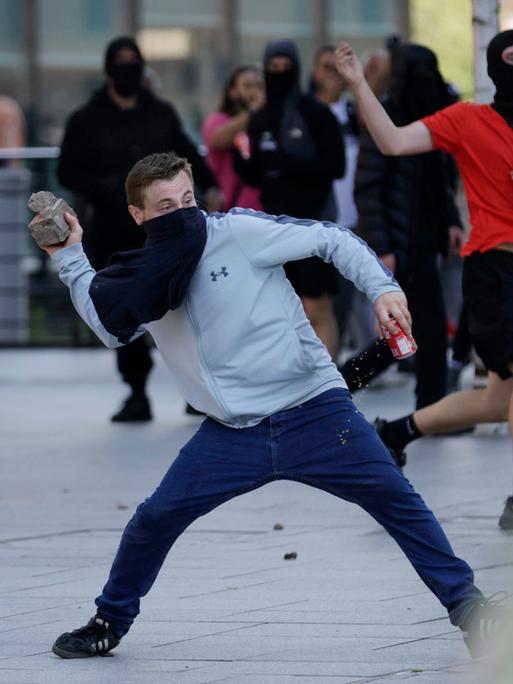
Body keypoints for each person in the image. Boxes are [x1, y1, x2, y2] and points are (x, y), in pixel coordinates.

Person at [38, 151, 503, 660]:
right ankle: (109, 620)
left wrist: (382, 290)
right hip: (230, 432)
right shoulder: (144, 278)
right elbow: (109, 325)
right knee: (155, 518)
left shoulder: (237, 232)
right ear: (138, 215)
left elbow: (331, 237)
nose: (183, 212)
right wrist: (69, 255)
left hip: (315, 411)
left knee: (399, 503)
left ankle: (472, 612)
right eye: (166, 205)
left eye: (188, 199)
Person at [335, 32, 513, 529]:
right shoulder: (467, 119)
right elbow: (392, 141)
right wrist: (357, 85)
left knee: (499, 403)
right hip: (497, 274)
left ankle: (397, 431)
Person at [57, 36, 221, 423]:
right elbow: (67, 169)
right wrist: (108, 188)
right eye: (121, 60)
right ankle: (136, 392)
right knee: (121, 307)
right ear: (109, 67)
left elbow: (187, 152)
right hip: (113, 228)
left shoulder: (160, 112)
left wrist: (210, 184)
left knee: (184, 308)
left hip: (164, 232)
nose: (128, 66)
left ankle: (196, 391)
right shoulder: (86, 119)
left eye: (135, 60)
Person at [343, 43, 464, 409]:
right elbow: (368, 185)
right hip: (399, 240)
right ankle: (427, 405)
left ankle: (343, 388)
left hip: (427, 236)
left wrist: (453, 221)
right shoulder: (386, 114)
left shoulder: (439, 114)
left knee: (413, 327)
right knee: (416, 327)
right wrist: (381, 246)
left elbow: (443, 179)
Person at [235, 40, 344, 360]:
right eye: (272, 67)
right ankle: (298, 391)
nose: (278, 73)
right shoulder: (259, 119)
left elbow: (334, 167)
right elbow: (257, 173)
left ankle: (330, 389)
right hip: (273, 229)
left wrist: (285, 162)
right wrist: (247, 165)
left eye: (285, 67)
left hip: (312, 225)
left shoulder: (317, 114)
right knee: (283, 314)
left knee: (317, 308)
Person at [311, 44, 376, 354]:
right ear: (314, 72)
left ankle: (359, 372)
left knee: (355, 299)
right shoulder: (308, 113)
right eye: (327, 68)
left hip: (355, 218)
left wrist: (359, 82)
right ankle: (328, 375)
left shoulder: (352, 111)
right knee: (327, 305)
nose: (333, 75)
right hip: (322, 220)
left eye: (337, 69)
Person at [203, 66, 265, 211]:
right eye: (247, 85)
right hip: (228, 211)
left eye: (260, 86)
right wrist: (254, 109)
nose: (255, 91)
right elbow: (219, 140)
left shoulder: (264, 123)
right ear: (232, 91)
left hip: (262, 212)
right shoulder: (217, 120)